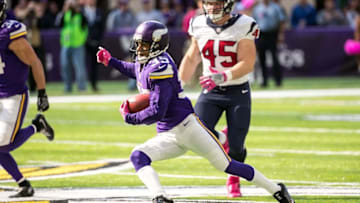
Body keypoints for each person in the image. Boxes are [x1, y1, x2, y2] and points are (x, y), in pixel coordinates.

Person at [97, 20, 294, 203]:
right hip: (168, 134)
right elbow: (136, 71)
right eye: (138, 44)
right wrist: (111, 61)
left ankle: (276, 188)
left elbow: (157, 111)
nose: (139, 48)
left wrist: (131, 117)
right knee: (138, 156)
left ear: (157, 44)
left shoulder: (161, 67)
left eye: (144, 44)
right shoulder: (148, 62)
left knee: (227, 165)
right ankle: (160, 197)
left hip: (188, 128)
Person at [179, 0, 259, 198]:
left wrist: (223, 76)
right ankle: (224, 139)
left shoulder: (244, 24)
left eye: (217, 3)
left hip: (237, 91)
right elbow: (192, 57)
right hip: (211, 92)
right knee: (194, 131)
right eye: (209, 3)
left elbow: (247, 62)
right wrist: (178, 86)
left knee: (238, 146)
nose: (212, 7)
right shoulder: (198, 23)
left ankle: (234, 178)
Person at [0, 0, 55, 198]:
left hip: (13, 95)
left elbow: (34, 61)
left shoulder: (9, 34)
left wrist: (42, 92)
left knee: (3, 144)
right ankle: (23, 185)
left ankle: (36, 126)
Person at [56, 0, 88, 93]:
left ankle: (81, 87)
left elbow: (86, 27)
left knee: (79, 67)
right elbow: (57, 24)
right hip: (66, 44)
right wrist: (64, 11)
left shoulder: (81, 15)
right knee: (65, 66)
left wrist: (82, 39)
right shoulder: (64, 14)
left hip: (78, 44)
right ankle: (67, 87)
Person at [253, 0, 286, 87]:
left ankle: (278, 81)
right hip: (261, 34)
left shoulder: (275, 7)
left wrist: (280, 34)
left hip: (272, 34)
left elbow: (281, 21)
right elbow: (254, 23)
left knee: (274, 58)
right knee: (261, 58)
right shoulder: (257, 8)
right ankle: (264, 81)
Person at [84, 0, 105, 92]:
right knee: (82, 64)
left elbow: (102, 28)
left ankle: (94, 84)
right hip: (83, 42)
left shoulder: (99, 11)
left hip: (96, 41)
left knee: (95, 64)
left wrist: (98, 40)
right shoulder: (81, 11)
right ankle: (82, 85)